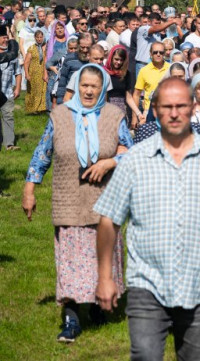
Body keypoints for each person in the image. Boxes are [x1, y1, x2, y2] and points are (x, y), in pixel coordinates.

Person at [93, 76, 200, 360]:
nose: (174, 113)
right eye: (167, 107)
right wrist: (105, 277)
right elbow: (108, 220)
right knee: (145, 355)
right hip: (147, 285)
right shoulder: (135, 160)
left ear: (192, 107)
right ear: (155, 110)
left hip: (199, 286)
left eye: (180, 105)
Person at [22, 64, 131, 343]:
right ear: (76, 86)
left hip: (105, 203)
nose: (89, 90)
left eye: (95, 85)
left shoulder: (115, 116)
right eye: (84, 85)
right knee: (71, 263)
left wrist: (110, 161)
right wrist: (29, 188)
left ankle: (97, 307)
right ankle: (71, 319)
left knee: (101, 258)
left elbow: (131, 154)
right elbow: (42, 153)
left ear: (103, 87)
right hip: (68, 200)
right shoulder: (59, 116)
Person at [132, 41, 170, 124]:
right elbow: (136, 94)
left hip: (168, 110)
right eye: (155, 52)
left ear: (164, 53)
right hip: (149, 112)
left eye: (161, 52)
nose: (158, 54)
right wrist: (134, 117)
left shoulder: (170, 68)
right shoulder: (144, 70)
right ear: (150, 54)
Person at [23, 28, 48, 114]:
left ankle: (42, 108)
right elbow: (26, 62)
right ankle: (33, 108)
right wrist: (26, 73)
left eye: (41, 37)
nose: (39, 39)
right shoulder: (31, 48)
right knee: (34, 90)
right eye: (37, 37)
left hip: (43, 71)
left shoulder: (47, 47)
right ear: (35, 38)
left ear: (43, 37)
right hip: (33, 72)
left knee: (43, 90)